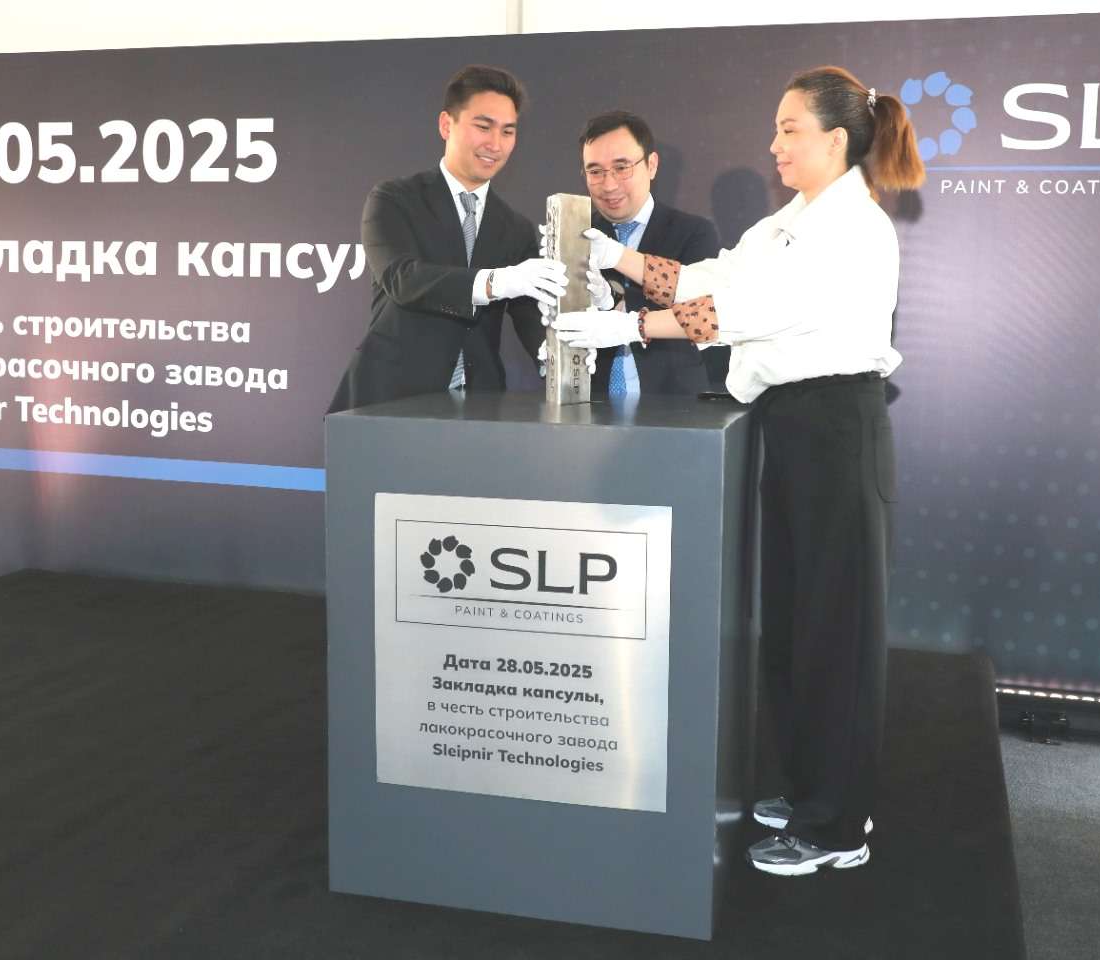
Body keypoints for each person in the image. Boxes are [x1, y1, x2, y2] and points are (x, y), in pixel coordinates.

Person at [554, 66, 925, 876]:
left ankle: (837, 829)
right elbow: (711, 276)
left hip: (837, 427)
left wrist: (632, 329)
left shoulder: (853, 225)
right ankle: (812, 788)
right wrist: (618, 257)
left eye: (790, 129)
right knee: (794, 623)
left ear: (835, 139)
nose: (775, 144)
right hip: (791, 426)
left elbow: (747, 313)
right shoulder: (790, 221)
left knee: (835, 630)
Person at [328, 65, 566, 413]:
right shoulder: (394, 199)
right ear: (446, 125)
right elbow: (403, 279)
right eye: (483, 126)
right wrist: (494, 282)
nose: (495, 144)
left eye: (508, 131)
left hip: (479, 405)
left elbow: (529, 310)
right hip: (390, 399)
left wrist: (552, 353)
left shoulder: (515, 227)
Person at [577, 110, 722, 397]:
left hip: (673, 404)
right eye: (595, 171)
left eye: (621, 168)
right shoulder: (578, 236)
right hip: (592, 404)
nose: (609, 184)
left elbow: (699, 313)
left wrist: (616, 306)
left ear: (651, 165)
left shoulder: (693, 232)